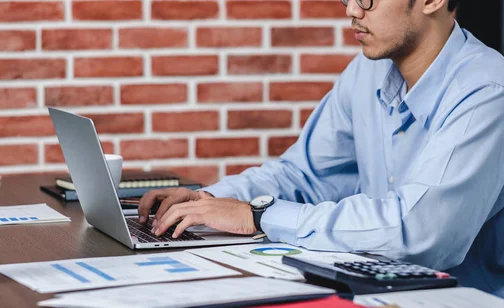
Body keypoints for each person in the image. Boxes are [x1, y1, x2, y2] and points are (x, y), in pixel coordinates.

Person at [138, 0, 504, 297]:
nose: (351, 11)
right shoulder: (367, 72)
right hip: (369, 289)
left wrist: (258, 215)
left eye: (368, 0)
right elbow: (305, 174)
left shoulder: (488, 91)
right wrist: (207, 200)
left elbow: (419, 233)